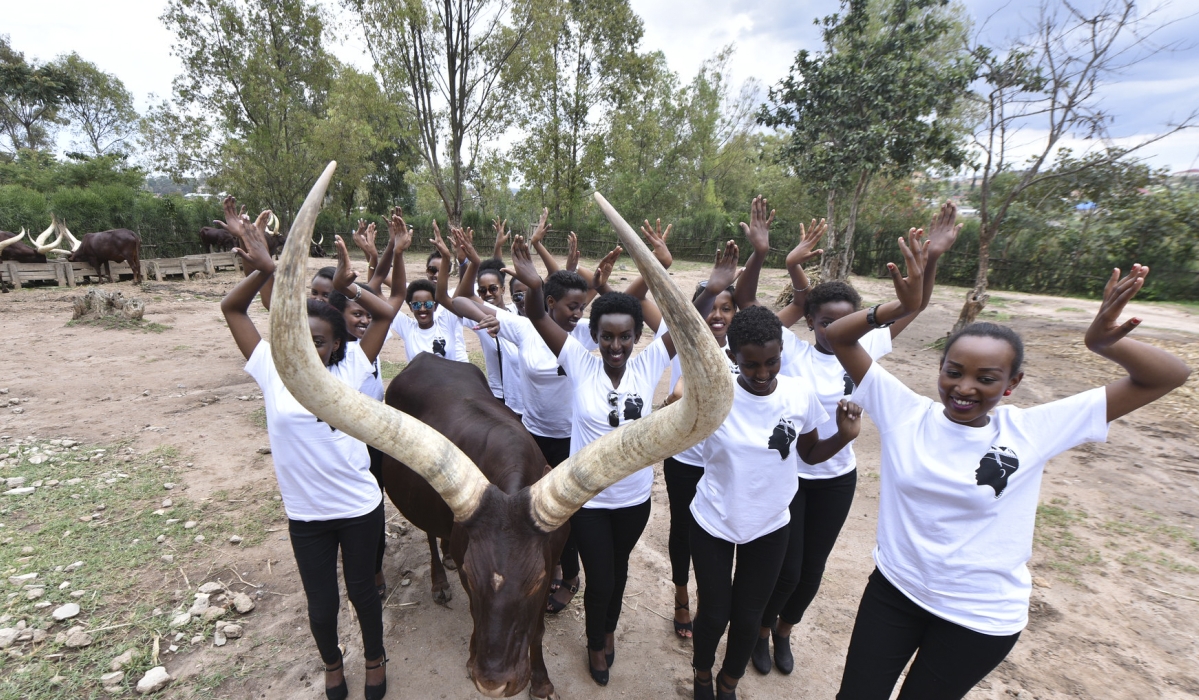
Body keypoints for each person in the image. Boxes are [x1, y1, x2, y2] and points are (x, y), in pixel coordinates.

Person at [823, 232, 1190, 699]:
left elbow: (1169, 376)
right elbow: (838, 336)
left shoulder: (1032, 430)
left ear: (1012, 384)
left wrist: (1102, 342)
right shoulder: (905, 411)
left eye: (987, 378)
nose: (965, 387)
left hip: (978, 617)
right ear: (941, 369)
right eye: (954, 371)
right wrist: (897, 308)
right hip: (896, 591)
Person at [733, 198, 959, 675]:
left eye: (844, 321)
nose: (834, 330)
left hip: (837, 477)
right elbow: (748, 305)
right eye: (825, 322)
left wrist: (932, 257)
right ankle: (758, 628)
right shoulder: (791, 352)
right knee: (785, 570)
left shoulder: (868, 345)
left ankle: (784, 631)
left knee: (812, 571)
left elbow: (915, 305)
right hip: (792, 473)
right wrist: (761, 253)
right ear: (811, 321)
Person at [511, 234, 734, 686]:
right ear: (593, 336)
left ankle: (609, 629)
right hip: (589, 500)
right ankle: (597, 642)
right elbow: (536, 314)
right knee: (601, 577)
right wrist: (534, 283)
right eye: (607, 336)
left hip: (634, 499)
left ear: (637, 337)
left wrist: (712, 286)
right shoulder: (579, 360)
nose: (616, 346)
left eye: (625, 337)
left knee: (622, 568)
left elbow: (686, 325)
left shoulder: (649, 364)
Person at [219, 213, 397, 700]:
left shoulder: (354, 367)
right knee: (321, 604)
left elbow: (384, 314)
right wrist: (264, 268)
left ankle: (376, 659)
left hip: (359, 507)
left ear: (337, 343)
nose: (308, 347)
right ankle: (333, 665)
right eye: (299, 338)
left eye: (318, 341)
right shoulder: (273, 370)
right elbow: (232, 310)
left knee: (364, 594)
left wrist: (348, 289)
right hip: (307, 515)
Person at [689, 303, 863, 700]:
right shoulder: (715, 394)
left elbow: (810, 454)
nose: (763, 374)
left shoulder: (798, 393)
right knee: (715, 614)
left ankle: (728, 683)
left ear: (782, 353)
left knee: (749, 616)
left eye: (772, 361)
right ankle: (701, 675)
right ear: (733, 358)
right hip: (714, 519)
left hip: (770, 524)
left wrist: (844, 437)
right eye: (751, 365)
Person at [387, 213, 469, 363]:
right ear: (410, 306)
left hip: (455, 373)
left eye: (429, 304)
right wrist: (395, 250)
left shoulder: (447, 314)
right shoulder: (409, 323)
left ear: (436, 305)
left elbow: (462, 290)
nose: (423, 308)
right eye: (417, 304)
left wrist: (460, 261)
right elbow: (393, 289)